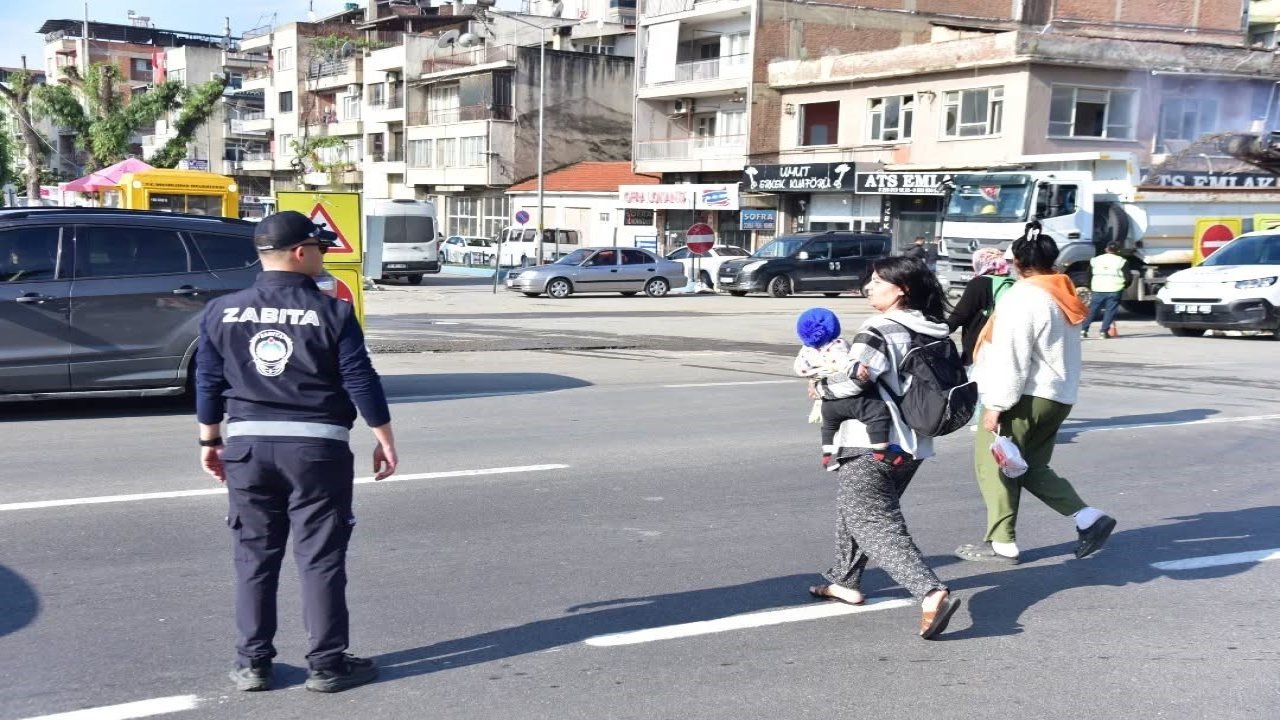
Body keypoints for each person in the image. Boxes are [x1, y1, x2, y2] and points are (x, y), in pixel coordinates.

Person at [196, 210, 399, 694]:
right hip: (316, 451)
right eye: (321, 248)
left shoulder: (222, 310)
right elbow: (359, 378)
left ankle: (253, 664)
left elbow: (209, 379)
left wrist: (209, 440)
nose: (325, 256)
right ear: (300, 252)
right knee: (320, 557)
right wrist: (384, 438)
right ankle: (327, 665)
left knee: (254, 556)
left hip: (246, 448)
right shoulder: (332, 311)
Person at [806, 256, 963, 641]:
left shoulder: (881, 327)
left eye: (878, 281)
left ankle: (930, 592)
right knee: (858, 508)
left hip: (869, 439)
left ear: (902, 289)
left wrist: (821, 388)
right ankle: (844, 579)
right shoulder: (934, 330)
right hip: (913, 441)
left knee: (873, 519)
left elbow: (855, 381)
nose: (869, 287)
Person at [955, 222, 1116, 566]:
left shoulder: (1023, 297)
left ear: (1016, 261)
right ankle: (1088, 517)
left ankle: (1002, 542)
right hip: (1056, 396)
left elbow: (1012, 355)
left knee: (994, 464)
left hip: (1023, 395)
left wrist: (995, 405)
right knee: (1026, 467)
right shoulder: (1063, 291)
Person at [793, 307, 890, 470]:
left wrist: (813, 377)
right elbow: (841, 360)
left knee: (829, 426)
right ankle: (880, 450)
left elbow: (800, 369)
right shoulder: (836, 344)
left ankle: (828, 455)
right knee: (876, 413)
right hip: (846, 396)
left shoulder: (806, 350)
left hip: (827, 402)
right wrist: (856, 368)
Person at [946, 247, 1014, 367]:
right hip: (1004, 348)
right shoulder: (1012, 283)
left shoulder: (978, 283)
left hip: (978, 350)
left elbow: (959, 316)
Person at [1081, 242, 1127, 339]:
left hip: (1098, 289)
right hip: (1115, 290)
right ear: (1118, 251)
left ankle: (1083, 330)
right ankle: (1103, 332)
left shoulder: (1096, 260)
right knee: (1110, 311)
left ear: (1106, 249)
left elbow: (1089, 275)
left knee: (1092, 311)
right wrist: (1124, 286)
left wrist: (1091, 286)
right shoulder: (1121, 261)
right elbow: (1128, 277)